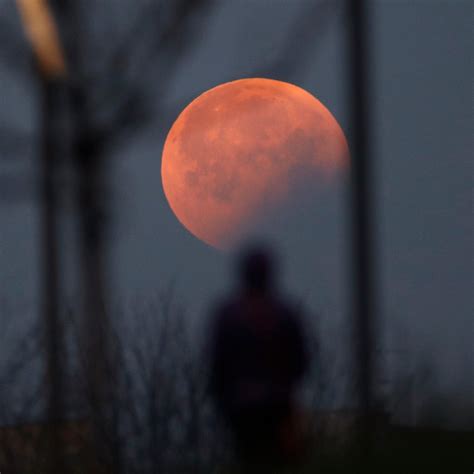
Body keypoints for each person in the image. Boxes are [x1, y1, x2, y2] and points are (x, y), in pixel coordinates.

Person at [207, 244, 309, 468]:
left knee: (249, 460)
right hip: (277, 405)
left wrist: (221, 398)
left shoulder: (228, 315)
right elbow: (301, 363)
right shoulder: (284, 314)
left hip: (242, 408)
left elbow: (216, 364)